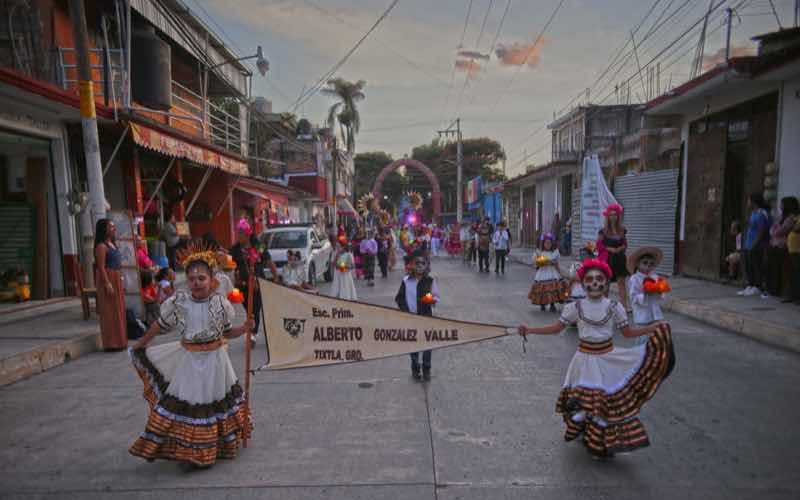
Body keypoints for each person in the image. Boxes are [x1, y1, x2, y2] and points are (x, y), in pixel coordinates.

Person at [517, 258, 674, 458]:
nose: (594, 283)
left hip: (608, 360)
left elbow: (628, 333)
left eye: (599, 279)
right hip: (583, 362)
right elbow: (557, 328)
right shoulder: (575, 307)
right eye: (589, 279)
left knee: (602, 405)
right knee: (589, 403)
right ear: (583, 284)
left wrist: (653, 328)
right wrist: (530, 330)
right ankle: (589, 435)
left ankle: (598, 443)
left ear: (607, 284)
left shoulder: (614, 307)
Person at [129, 244, 254, 468]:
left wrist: (245, 328)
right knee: (191, 403)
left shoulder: (220, 304)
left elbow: (227, 332)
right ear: (187, 280)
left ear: (211, 279)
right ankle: (191, 452)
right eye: (192, 278)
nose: (196, 282)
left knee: (213, 403)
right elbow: (159, 324)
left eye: (201, 278)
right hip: (190, 362)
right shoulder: (180, 303)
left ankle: (212, 449)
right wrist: (142, 342)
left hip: (216, 362)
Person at [230, 219, 278, 344]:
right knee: (248, 309)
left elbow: (269, 261)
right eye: (237, 233)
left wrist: (276, 278)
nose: (238, 236)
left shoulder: (259, 246)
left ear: (248, 234)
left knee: (254, 309)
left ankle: (252, 333)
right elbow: (230, 265)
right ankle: (252, 330)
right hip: (242, 286)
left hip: (258, 284)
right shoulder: (235, 249)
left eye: (240, 233)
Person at [396, 250, 440, 381]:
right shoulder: (406, 281)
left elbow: (436, 297)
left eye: (423, 263)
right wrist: (405, 311)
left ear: (426, 265)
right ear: (412, 265)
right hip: (411, 318)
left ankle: (426, 369)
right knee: (413, 345)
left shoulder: (430, 281)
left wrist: (431, 299)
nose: (420, 265)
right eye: (417, 263)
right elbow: (399, 298)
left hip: (426, 317)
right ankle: (415, 368)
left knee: (427, 345)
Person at [94, 218, 127, 350]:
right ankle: (111, 343)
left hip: (116, 277)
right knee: (110, 311)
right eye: (111, 227)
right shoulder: (101, 246)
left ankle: (120, 341)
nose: (114, 229)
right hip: (108, 278)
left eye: (114, 226)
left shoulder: (113, 244)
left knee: (118, 310)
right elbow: (101, 267)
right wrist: (107, 284)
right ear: (104, 229)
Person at [627, 247, 667, 346]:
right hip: (642, 317)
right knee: (642, 341)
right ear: (638, 264)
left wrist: (660, 290)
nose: (648, 266)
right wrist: (644, 294)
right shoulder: (634, 279)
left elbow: (662, 295)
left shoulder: (655, 277)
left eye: (651, 264)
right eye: (645, 263)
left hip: (656, 315)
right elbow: (633, 297)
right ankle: (640, 358)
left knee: (655, 341)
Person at [597, 203, 630, 311]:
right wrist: (609, 249)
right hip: (608, 259)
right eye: (611, 215)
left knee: (621, 282)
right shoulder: (603, 231)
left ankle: (624, 306)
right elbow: (598, 245)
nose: (613, 217)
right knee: (607, 283)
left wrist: (621, 248)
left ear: (618, 216)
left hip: (619, 259)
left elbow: (625, 243)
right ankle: (604, 306)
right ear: (607, 216)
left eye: (615, 214)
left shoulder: (622, 230)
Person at [738, 193, 771, 297]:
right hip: (749, 243)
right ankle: (750, 285)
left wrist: (755, 244)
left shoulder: (762, 213)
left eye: (749, 200)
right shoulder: (753, 213)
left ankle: (757, 286)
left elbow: (762, 230)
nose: (747, 203)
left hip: (757, 245)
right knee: (749, 266)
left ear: (754, 202)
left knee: (756, 265)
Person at [767, 197, 799, 299]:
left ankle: (785, 292)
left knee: (787, 271)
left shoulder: (791, 218)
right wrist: (774, 231)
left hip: (785, 247)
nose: (780, 206)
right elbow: (772, 229)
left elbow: (779, 231)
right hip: (776, 246)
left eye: (782, 204)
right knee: (774, 268)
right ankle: (774, 290)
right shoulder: (782, 217)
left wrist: (774, 231)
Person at [529, 233, 568, 312]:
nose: (548, 245)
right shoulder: (539, 252)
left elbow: (555, 262)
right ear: (543, 243)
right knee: (542, 290)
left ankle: (552, 304)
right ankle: (542, 304)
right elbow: (534, 262)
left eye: (549, 243)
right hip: (542, 273)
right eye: (546, 243)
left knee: (553, 289)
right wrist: (540, 262)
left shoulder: (555, 252)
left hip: (552, 272)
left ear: (552, 244)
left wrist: (560, 272)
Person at [789, 205, 800, 305]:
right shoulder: (795, 218)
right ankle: (793, 295)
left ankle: (797, 296)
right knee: (793, 273)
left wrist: (792, 221)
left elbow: (795, 228)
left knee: (797, 272)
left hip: (797, 249)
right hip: (792, 249)